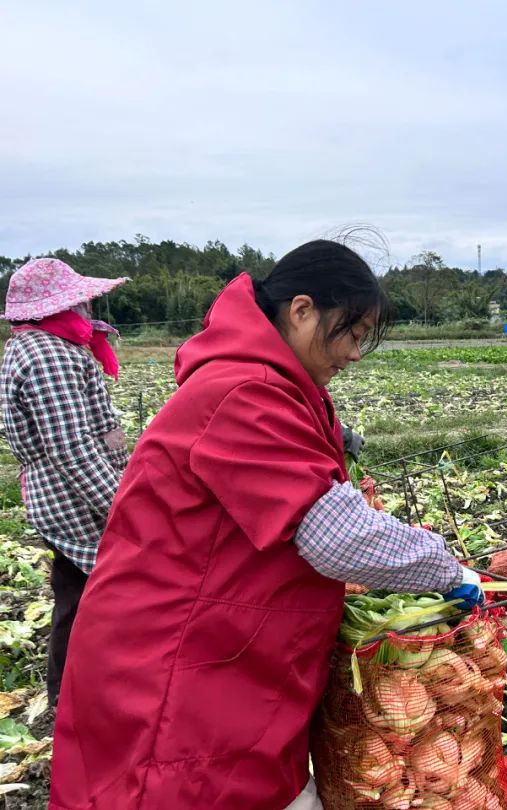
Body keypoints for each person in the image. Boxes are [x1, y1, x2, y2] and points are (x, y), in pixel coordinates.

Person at [48, 240, 483, 810]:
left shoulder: (269, 386)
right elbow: (338, 536)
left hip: (222, 650)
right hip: (174, 663)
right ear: (301, 311)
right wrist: (442, 565)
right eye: (352, 333)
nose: (355, 353)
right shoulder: (243, 394)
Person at [0, 258, 130, 707]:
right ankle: (77, 693)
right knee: (93, 596)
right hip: (73, 499)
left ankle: (72, 690)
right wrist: (121, 505)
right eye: (80, 297)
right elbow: (71, 448)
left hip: (64, 494)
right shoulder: (49, 354)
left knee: (76, 589)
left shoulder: (39, 345)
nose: (87, 302)